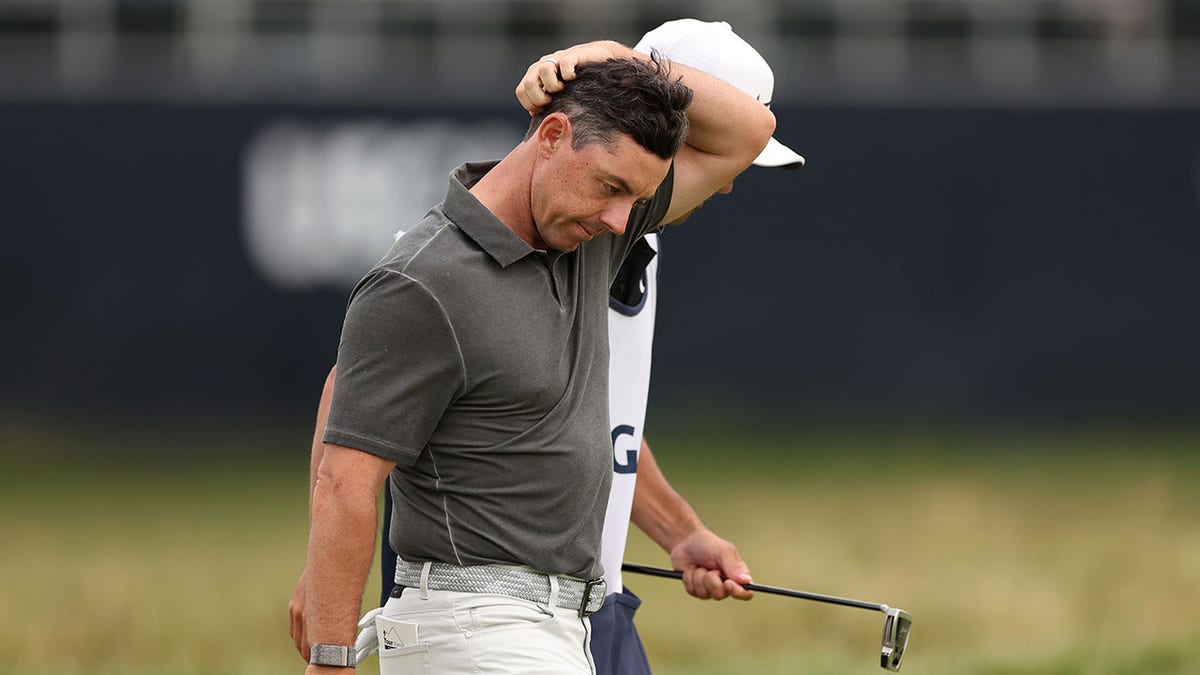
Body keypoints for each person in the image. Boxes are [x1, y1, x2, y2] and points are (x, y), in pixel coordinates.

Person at [297, 34, 776, 674]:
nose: (619, 219)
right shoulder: (421, 280)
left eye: (634, 199)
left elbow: (748, 131)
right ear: (551, 136)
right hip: (472, 626)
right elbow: (345, 480)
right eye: (610, 187)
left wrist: (609, 54)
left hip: (557, 623)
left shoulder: (591, 231)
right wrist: (329, 661)